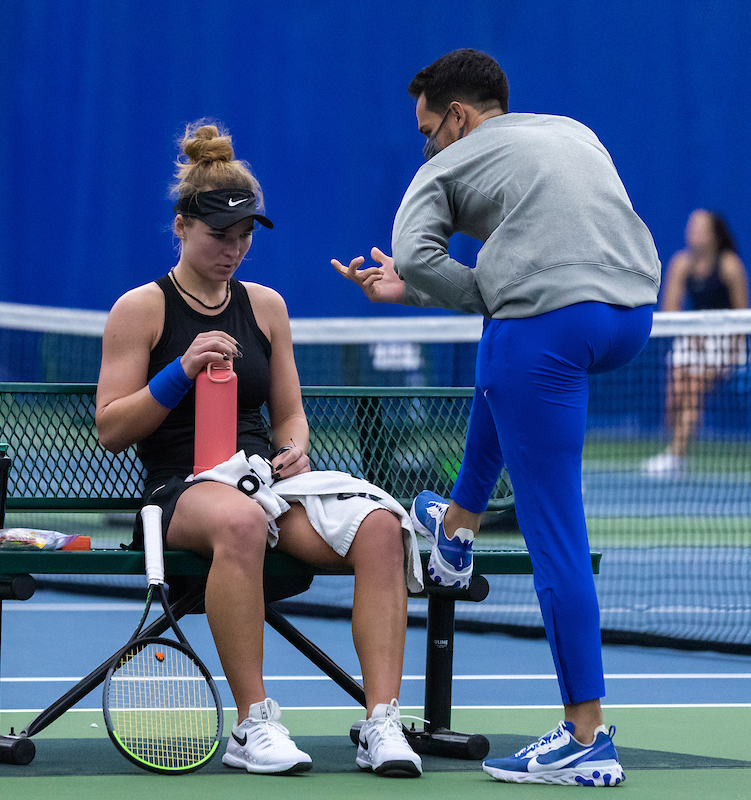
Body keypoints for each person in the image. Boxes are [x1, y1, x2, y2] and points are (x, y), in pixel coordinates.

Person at [332, 49, 660, 786]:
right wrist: (486, 296)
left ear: (457, 117)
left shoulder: (440, 171)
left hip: (545, 333)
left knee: (557, 540)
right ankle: (456, 528)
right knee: (501, 338)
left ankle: (585, 734)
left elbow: (418, 258)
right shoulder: (573, 131)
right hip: (632, 316)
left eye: (427, 129)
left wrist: (428, 288)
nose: (425, 145)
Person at [97, 120, 423, 777]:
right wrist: (178, 371)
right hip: (179, 493)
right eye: (221, 234)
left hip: (263, 484)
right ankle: (254, 724)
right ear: (182, 226)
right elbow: (110, 427)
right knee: (241, 522)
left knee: (385, 528)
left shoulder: (267, 307)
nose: (234, 248)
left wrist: (295, 449)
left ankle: (382, 722)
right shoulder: (141, 309)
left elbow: (291, 413)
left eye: (245, 234)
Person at [642, 209, 749, 476]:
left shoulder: (729, 266)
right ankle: (676, 448)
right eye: (692, 227)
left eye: (702, 228)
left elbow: (741, 318)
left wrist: (726, 348)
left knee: (694, 386)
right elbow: (670, 313)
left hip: (726, 344)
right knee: (676, 388)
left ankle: (676, 454)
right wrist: (691, 335)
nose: (695, 233)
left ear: (714, 235)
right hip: (692, 340)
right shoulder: (682, 263)